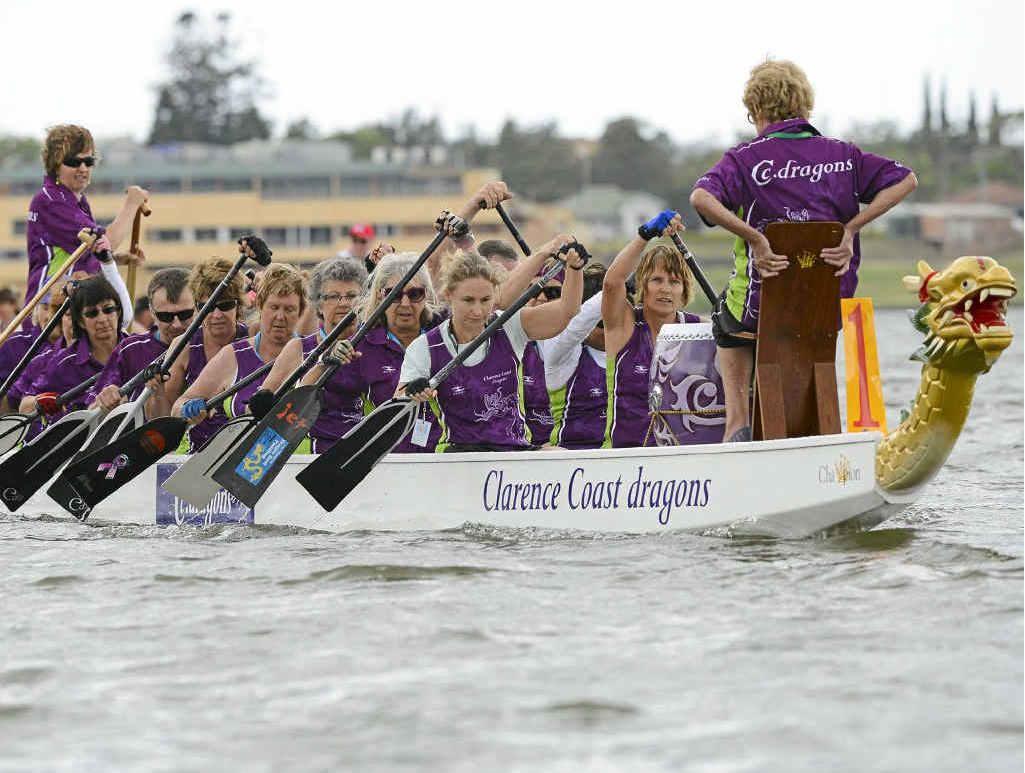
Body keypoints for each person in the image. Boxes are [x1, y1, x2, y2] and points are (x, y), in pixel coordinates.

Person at [689, 59, 918, 442]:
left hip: (760, 309)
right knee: (809, 335)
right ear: (804, 106)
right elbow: (906, 179)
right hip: (827, 308)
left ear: (757, 110)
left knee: (724, 324)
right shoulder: (844, 155)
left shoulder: (746, 159)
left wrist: (758, 239)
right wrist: (850, 228)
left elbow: (701, 197)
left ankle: (737, 426)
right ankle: (820, 429)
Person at [398, 242, 584, 453]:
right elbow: (399, 402)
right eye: (468, 300)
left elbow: (567, 310)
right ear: (449, 295)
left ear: (495, 295)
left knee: (562, 455)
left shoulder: (510, 326)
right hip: (458, 454)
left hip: (513, 450)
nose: (478, 311)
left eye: (485, 300)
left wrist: (575, 269)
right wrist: (412, 392)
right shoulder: (425, 347)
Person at [602, 212, 702, 449]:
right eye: (657, 280)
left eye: (674, 282)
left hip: (682, 457)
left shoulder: (700, 330)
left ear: (683, 290)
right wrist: (644, 235)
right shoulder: (624, 323)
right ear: (642, 285)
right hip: (626, 456)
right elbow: (611, 283)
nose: (665, 289)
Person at [172, 263, 306, 436]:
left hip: (300, 461)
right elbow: (177, 407)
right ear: (260, 305)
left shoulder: (312, 353)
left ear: (301, 311)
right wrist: (186, 408)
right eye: (274, 307)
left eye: (289, 309)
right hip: (240, 460)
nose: (280, 317)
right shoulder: (233, 355)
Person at [25, 124, 148, 309]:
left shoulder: (74, 199)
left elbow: (83, 252)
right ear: (55, 165)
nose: (83, 168)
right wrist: (131, 204)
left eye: (88, 161)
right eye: (73, 162)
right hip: (49, 310)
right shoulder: (51, 201)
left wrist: (114, 259)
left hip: (73, 302)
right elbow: (106, 242)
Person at [255, 258, 368, 453]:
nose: (343, 304)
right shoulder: (298, 348)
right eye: (333, 296)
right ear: (318, 304)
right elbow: (258, 408)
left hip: (363, 453)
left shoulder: (375, 344)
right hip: (307, 457)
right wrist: (323, 363)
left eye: (351, 296)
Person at [144, 257, 249, 450]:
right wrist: (157, 394)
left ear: (239, 307)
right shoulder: (184, 346)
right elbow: (162, 420)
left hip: (246, 451)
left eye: (225, 305)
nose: (216, 314)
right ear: (197, 310)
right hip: (197, 452)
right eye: (207, 306)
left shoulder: (253, 339)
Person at [350, 252, 446, 453]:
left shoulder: (446, 332)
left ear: (426, 294)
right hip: (386, 459)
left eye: (414, 294)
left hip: (443, 459)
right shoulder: (361, 346)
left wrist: (466, 243)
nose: (404, 303)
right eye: (394, 294)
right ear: (379, 295)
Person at [20, 275, 125, 420]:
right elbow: (24, 407)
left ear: (118, 312)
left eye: (108, 310)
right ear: (80, 322)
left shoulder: (136, 349)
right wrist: (41, 401)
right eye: (91, 313)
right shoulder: (62, 363)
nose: (102, 319)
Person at [86, 268, 193, 411]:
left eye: (185, 314)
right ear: (152, 312)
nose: (176, 324)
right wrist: (106, 399)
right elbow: (93, 408)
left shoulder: (214, 344)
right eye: (165, 317)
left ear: (198, 306)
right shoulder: (130, 349)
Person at [539, 262, 609, 449]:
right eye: (603, 319)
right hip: (570, 460)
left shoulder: (635, 350)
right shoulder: (562, 352)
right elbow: (579, 324)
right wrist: (614, 288)